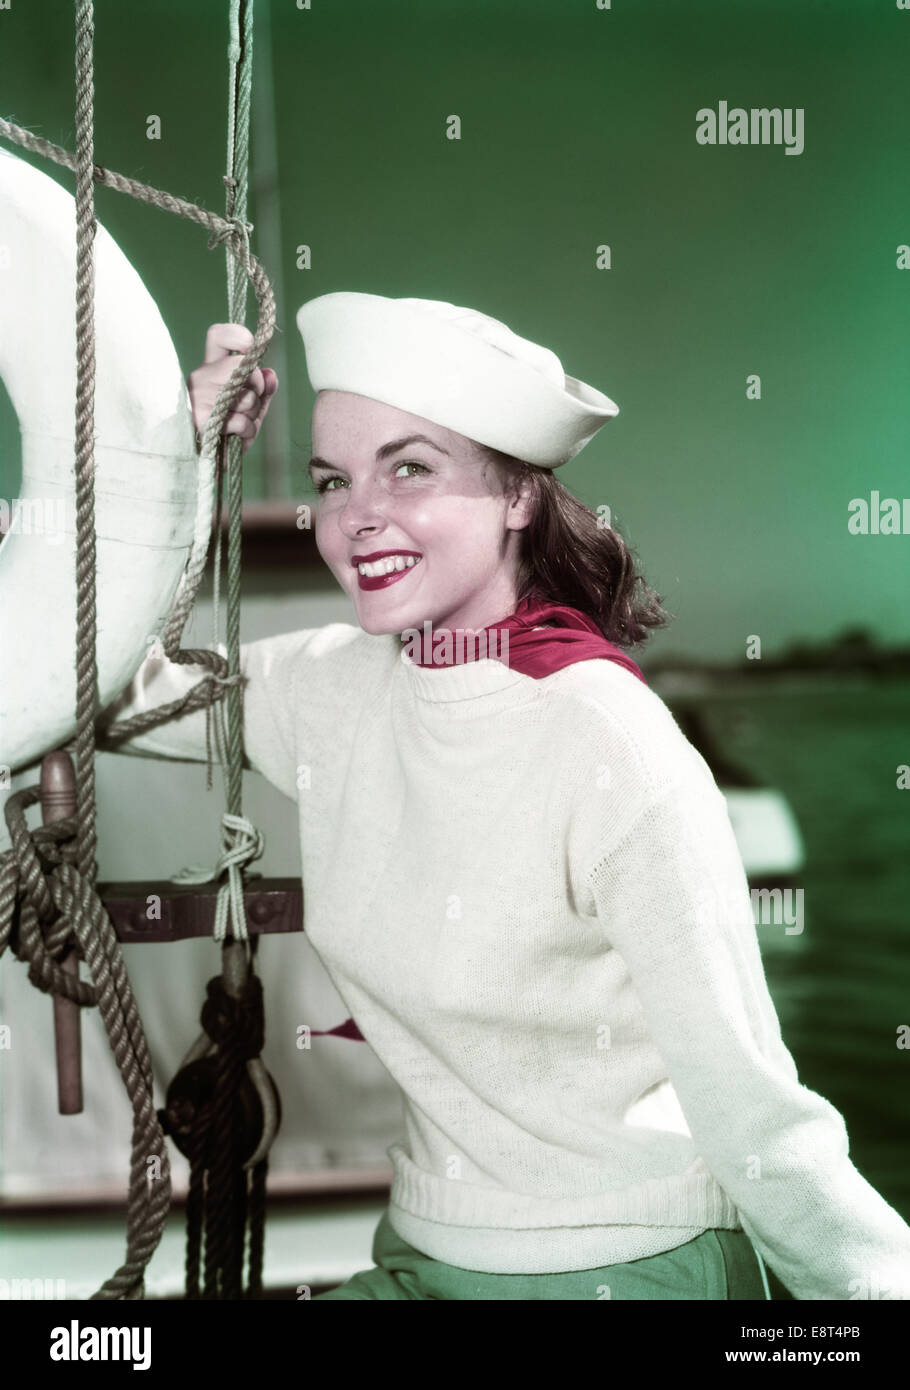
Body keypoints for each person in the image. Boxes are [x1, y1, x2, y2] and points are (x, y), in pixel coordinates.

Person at [97, 293, 910, 1301]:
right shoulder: (331, 685)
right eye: (331, 481)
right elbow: (92, 691)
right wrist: (179, 460)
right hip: (422, 1253)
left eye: (410, 468)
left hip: (625, 1261)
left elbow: (752, 1107)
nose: (359, 517)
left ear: (518, 497)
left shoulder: (606, 737)